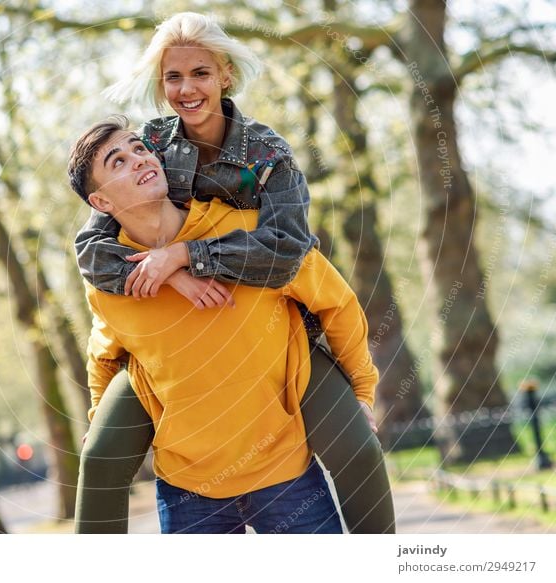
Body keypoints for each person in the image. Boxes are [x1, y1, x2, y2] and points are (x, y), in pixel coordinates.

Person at [72, 12, 394, 533]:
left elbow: (288, 250)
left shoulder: (267, 156)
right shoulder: (148, 144)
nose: (186, 89)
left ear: (224, 74)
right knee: (101, 455)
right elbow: (91, 247)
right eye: (173, 77)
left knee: (358, 446)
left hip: (272, 324)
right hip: (166, 336)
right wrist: (167, 274)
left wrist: (186, 257)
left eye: (200, 73)